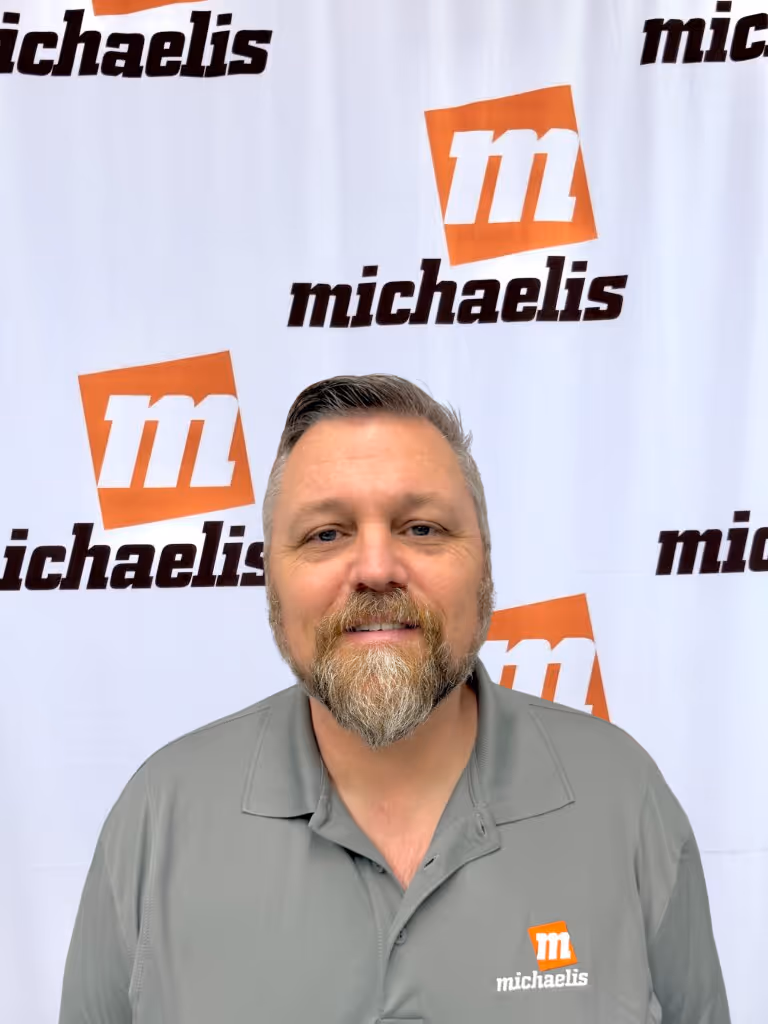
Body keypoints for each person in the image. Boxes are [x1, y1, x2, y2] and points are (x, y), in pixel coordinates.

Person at [59, 374, 730, 1024]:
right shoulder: (159, 820)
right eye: (327, 534)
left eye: (421, 529)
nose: (377, 568)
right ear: (272, 579)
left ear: (486, 564)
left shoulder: (621, 798)